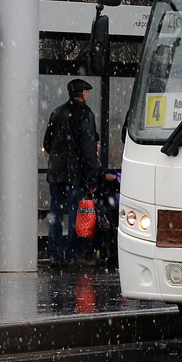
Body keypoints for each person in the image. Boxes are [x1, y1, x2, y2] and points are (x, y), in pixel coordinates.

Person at [43, 79, 115, 266]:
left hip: (56, 172)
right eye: (86, 92)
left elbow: (47, 144)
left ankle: (54, 254)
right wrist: (91, 177)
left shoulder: (57, 113)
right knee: (77, 214)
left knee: (56, 214)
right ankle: (74, 253)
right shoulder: (85, 115)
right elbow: (88, 149)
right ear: (83, 94)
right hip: (75, 174)